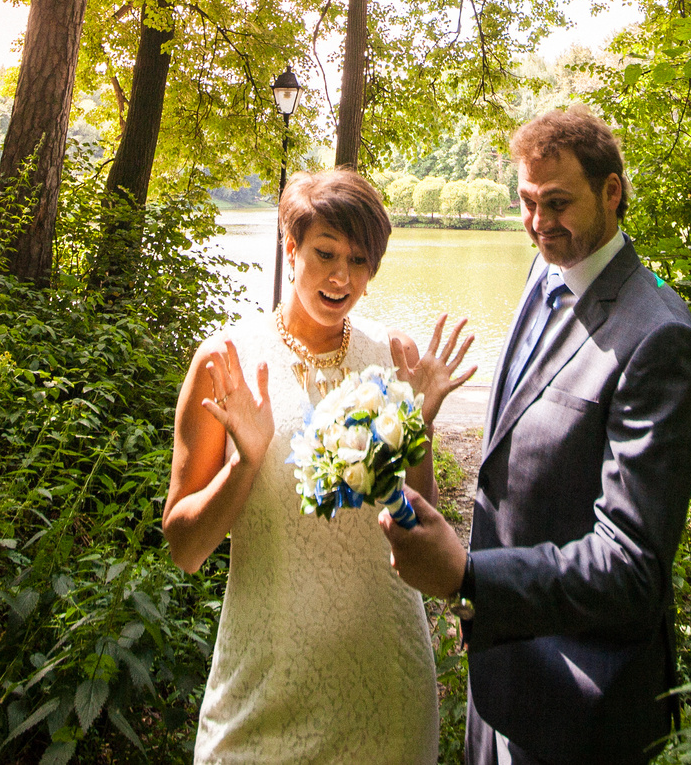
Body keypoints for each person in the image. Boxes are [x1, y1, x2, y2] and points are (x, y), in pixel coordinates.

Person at [383, 106, 691, 765]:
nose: (538, 224)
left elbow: (632, 568)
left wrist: (469, 575)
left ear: (611, 192)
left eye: (557, 203)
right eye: (529, 202)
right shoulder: (545, 273)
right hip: (501, 676)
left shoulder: (660, 338)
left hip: (580, 701)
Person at [163, 167, 478, 764]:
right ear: (290, 245)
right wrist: (246, 463)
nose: (342, 278)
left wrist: (421, 424)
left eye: (360, 261)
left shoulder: (392, 356)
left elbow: (421, 523)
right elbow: (185, 548)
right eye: (325, 253)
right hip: (264, 682)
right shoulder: (227, 361)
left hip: (387, 685)